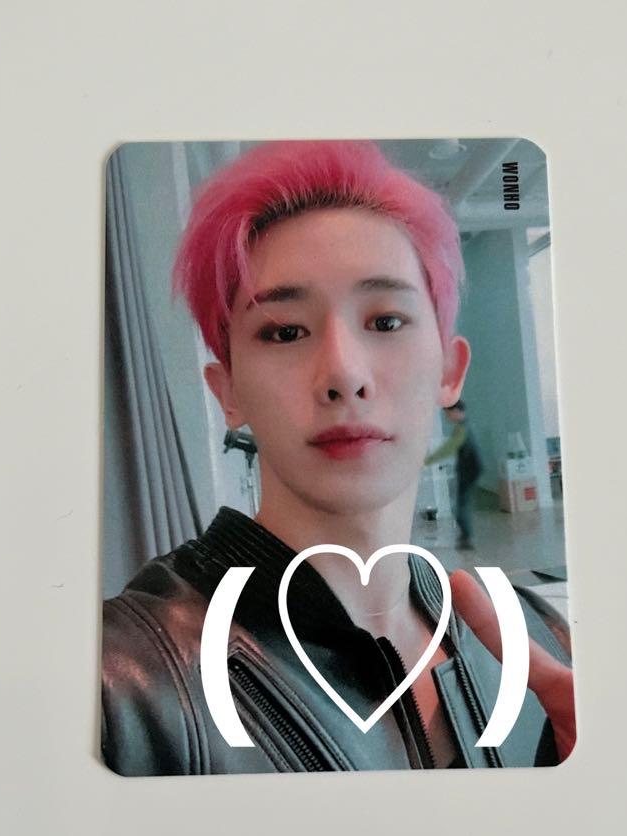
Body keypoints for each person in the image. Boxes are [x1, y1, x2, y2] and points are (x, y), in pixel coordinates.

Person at [101, 140, 575, 774]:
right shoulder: (122, 691)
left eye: (385, 321)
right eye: (285, 331)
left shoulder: (537, 638)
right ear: (228, 391)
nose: (343, 375)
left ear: (449, 370)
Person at [424, 399, 482, 550]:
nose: (447, 417)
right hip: (469, 469)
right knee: (462, 503)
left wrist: (428, 460)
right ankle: (465, 537)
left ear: (456, 411)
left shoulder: (462, 429)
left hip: (468, 470)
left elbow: (449, 447)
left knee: (461, 505)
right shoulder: (465, 427)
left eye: (448, 414)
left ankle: (466, 539)